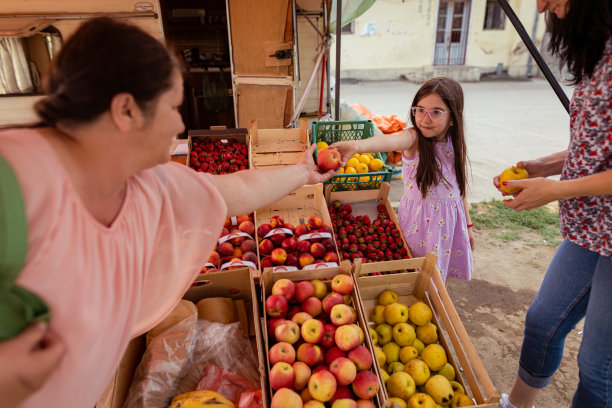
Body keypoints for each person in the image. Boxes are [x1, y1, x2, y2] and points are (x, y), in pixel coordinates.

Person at [0, 17, 336, 408]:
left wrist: (302, 171)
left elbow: (232, 190)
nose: (180, 123)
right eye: (172, 107)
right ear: (126, 110)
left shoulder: (145, 182)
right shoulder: (18, 182)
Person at [492, 0, 611, 406]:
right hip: (593, 228)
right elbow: (597, 142)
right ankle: (517, 404)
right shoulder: (600, 50)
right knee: (543, 322)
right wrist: (544, 166)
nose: (541, 4)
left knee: (599, 368)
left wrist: (555, 190)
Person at [332, 77, 474, 282]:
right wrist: (357, 146)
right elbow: (388, 140)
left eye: (436, 112)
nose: (425, 118)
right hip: (420, 224)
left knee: (437, 274)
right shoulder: (414, 138)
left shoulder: (455, 143)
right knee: (413, 274)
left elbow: (460, 189)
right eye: (420, 109)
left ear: (453, 117)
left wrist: (468, 226)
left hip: (449, 225)